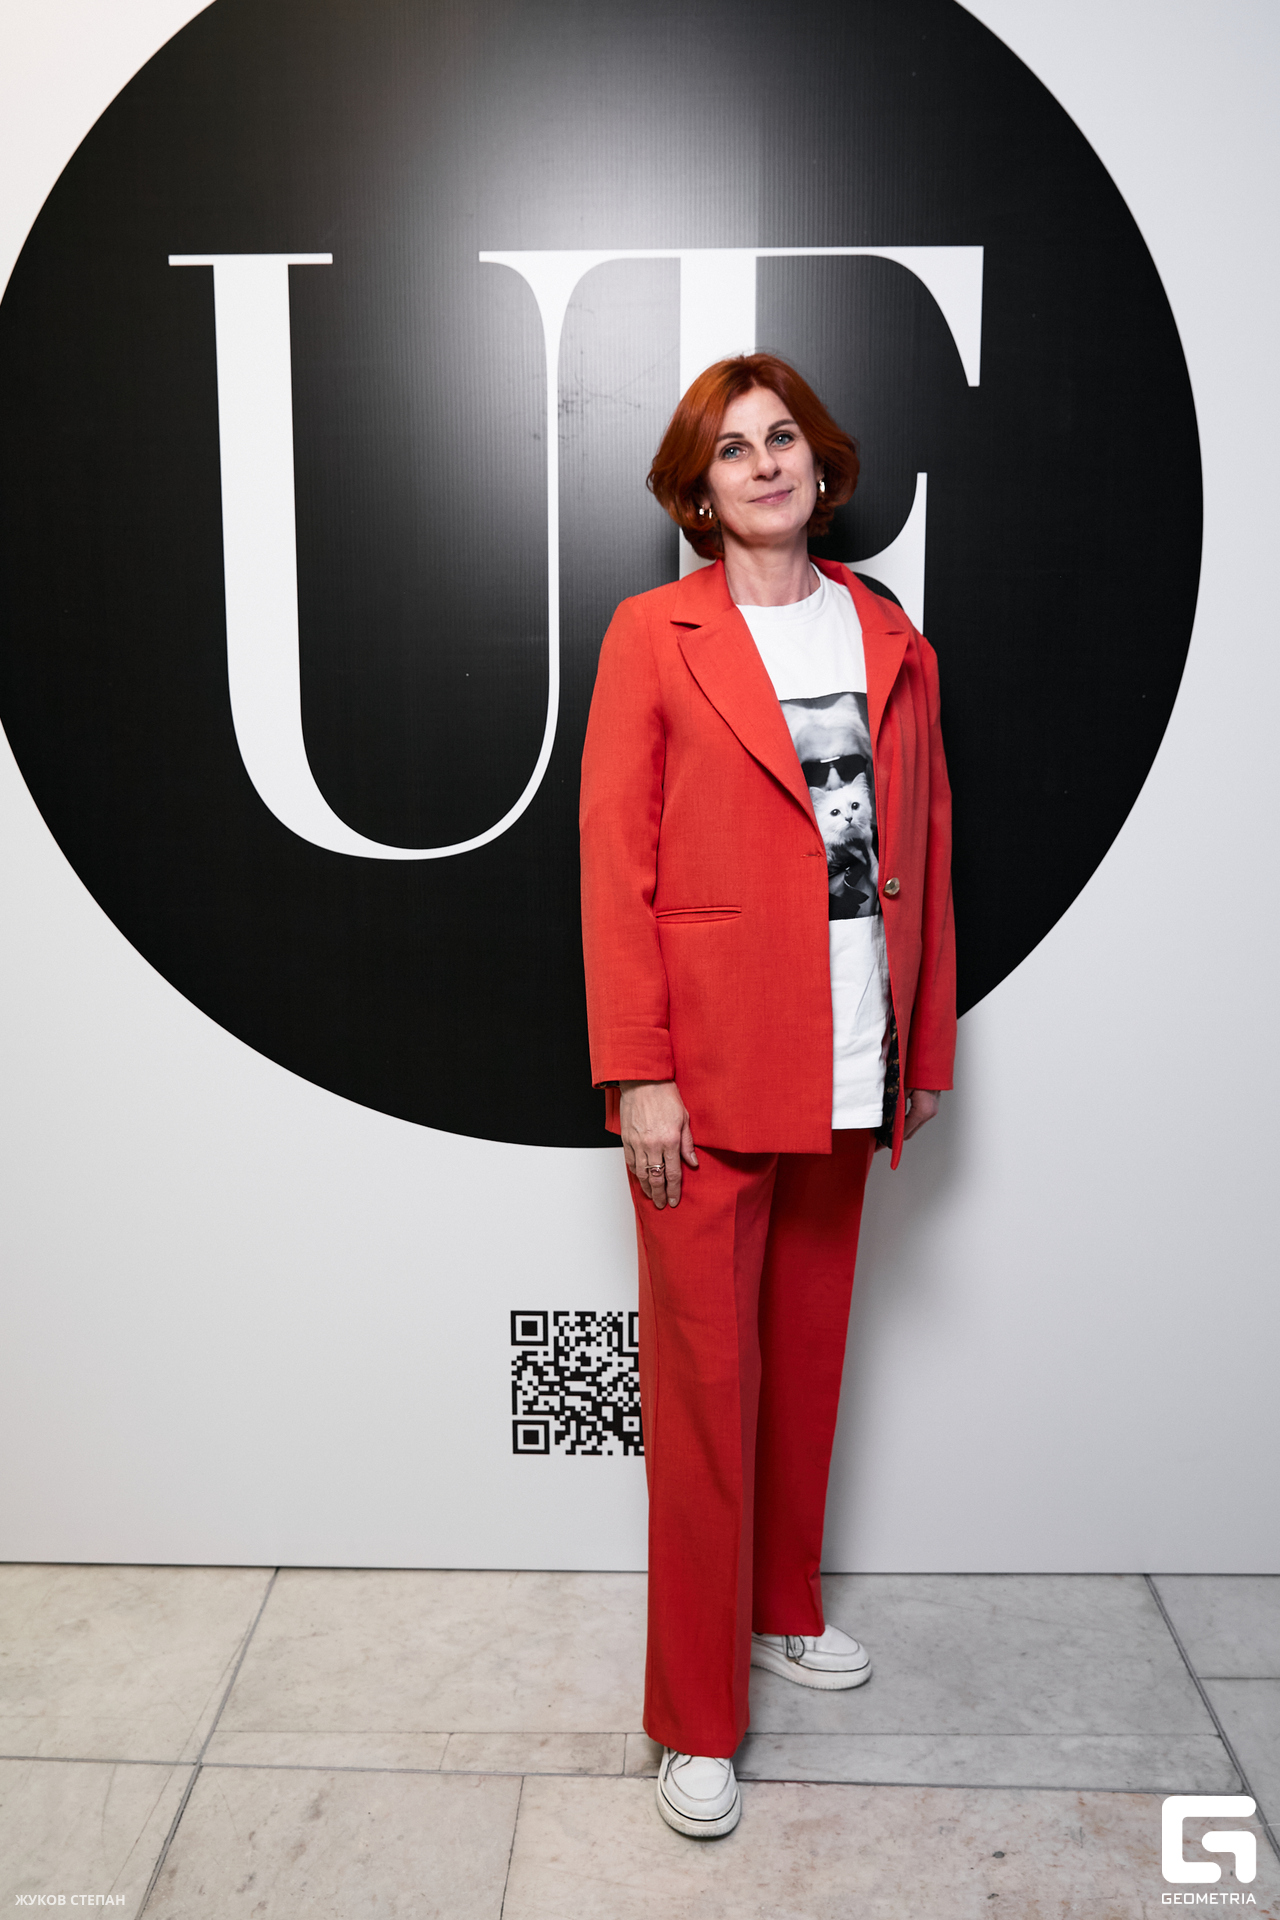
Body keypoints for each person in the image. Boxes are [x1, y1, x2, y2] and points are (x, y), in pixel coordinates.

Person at [579, 353, 956, 1839]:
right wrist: (641, 1071)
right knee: (702, 1394)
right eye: (731, 450)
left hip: (852, 1057)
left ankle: (785, 1606)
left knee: (804, 1357)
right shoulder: (652, 634)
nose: (765, 464)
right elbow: (615, 864)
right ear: (699, 493)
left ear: (821, 461)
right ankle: (694, 1714)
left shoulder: (887, 631)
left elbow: (927, 846)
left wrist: (924, 1048)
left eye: (782, 437)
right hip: (710, 1072)